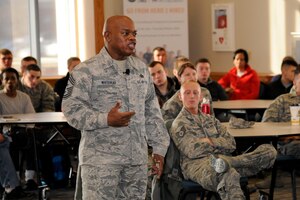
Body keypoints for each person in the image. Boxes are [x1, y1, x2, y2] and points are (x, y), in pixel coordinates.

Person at [62, 15, 170, 200]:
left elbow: (152, 113)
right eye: (125, 33)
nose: (132, 38)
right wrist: (105, 119)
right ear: (107, 36)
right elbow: (71, 110)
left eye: (134, 34)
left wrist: (159, 150)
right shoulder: (86, 71)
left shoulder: (141, 69)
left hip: (136, 162)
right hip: (101, 163)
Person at [170, 80, 277, 200]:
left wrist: (208, 141)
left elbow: (231, 143)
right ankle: (228, 163)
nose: (192, 96)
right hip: (197, 166)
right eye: (187, 93)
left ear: (200, 97)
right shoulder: (179, 124)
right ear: (180, 96)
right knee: (227, 174)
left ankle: (229, 162)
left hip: (225, 160)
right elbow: (192, 151)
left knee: (269, 151)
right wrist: (218, 142)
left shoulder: (210, 119)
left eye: (195, 93)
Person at [0, 68, 35, 199]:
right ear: (2, 81)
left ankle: (30, 178)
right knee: (11, 140)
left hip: (23, 130)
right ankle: (13, 183)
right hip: (6, 132)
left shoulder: (24, 97)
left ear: (17, 80)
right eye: (6, 79)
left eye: (13, 78)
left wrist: (27, 128)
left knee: (30, 138)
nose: (10, 81)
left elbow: (31, 118)